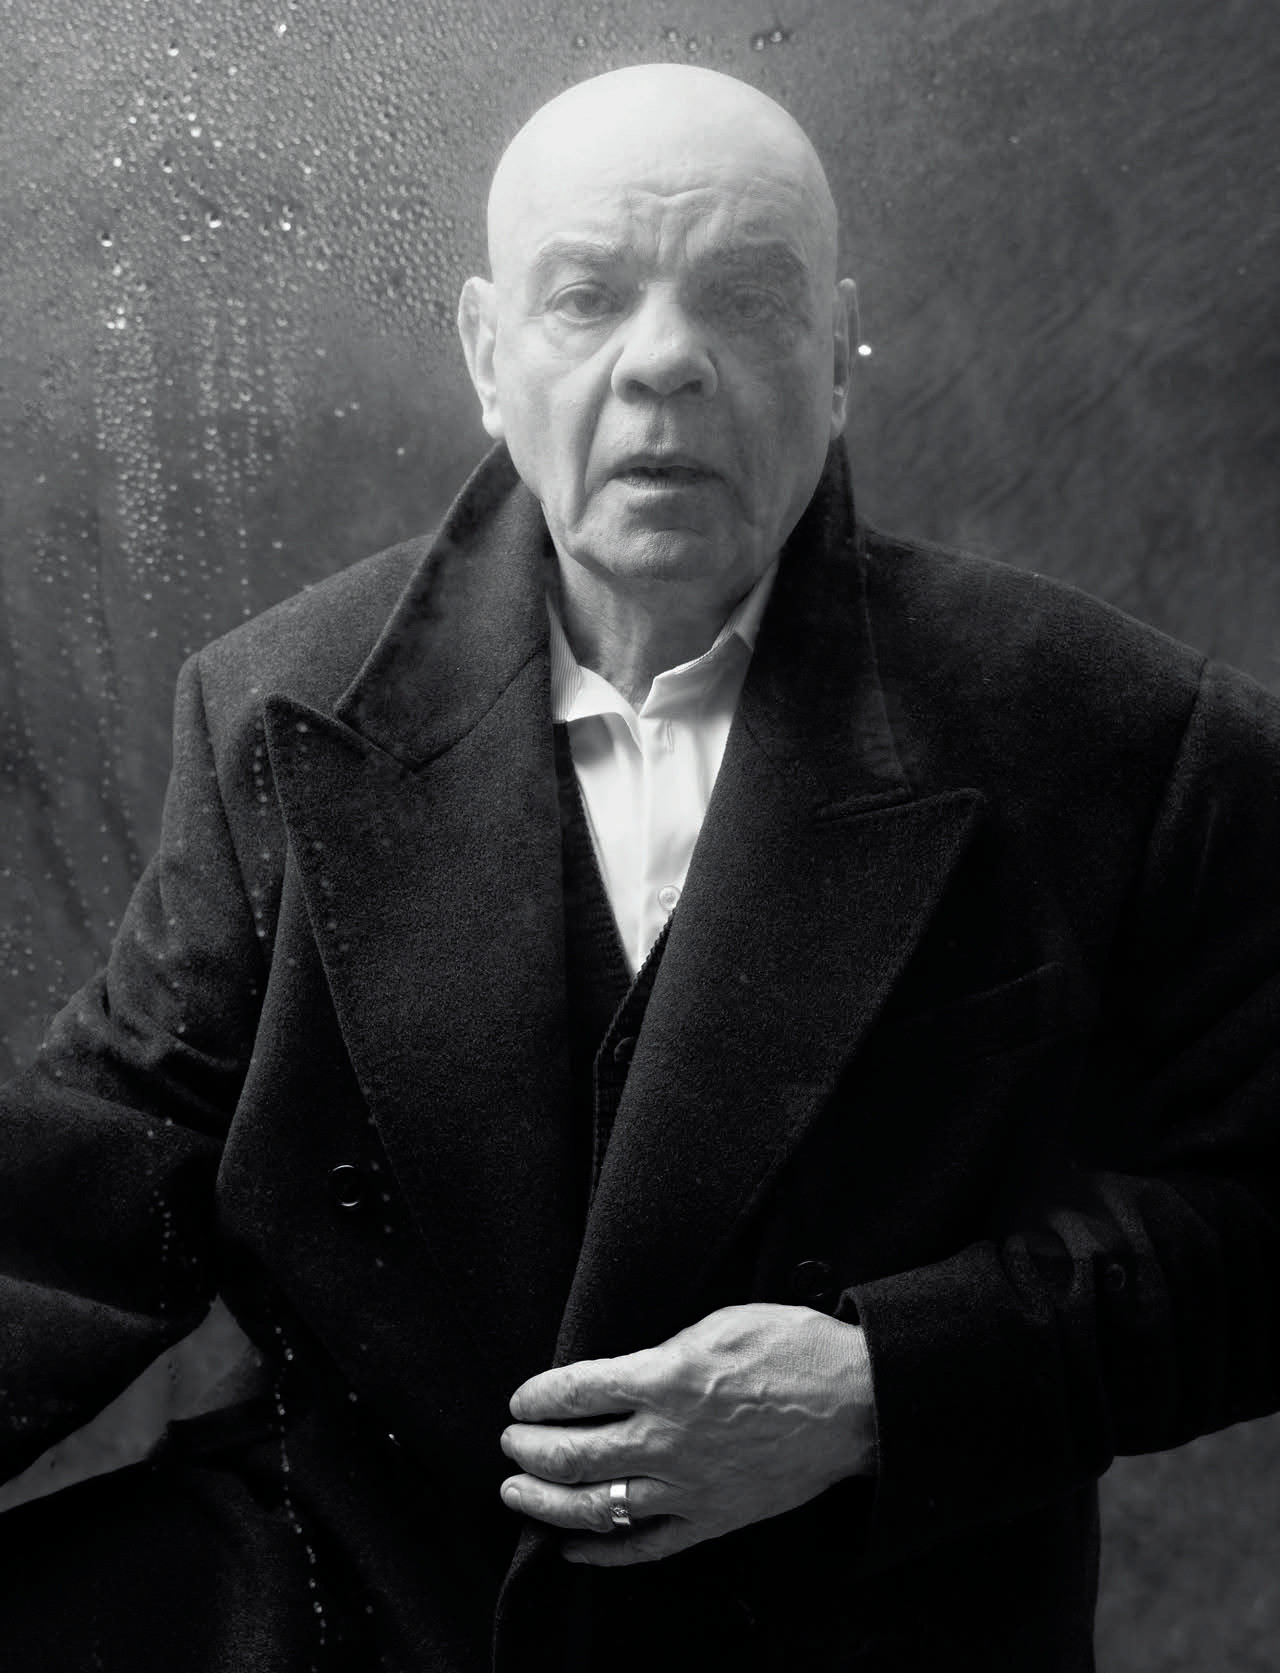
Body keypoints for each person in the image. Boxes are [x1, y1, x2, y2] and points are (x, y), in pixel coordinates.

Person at [1, 59, 1278, 1673]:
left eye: (745, 297)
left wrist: (886, 1385)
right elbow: (82, 1197)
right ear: (489, 356)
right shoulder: (274, 714)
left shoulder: (1115, 735)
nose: (666, 359)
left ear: (836, 355)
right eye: (588, 295)